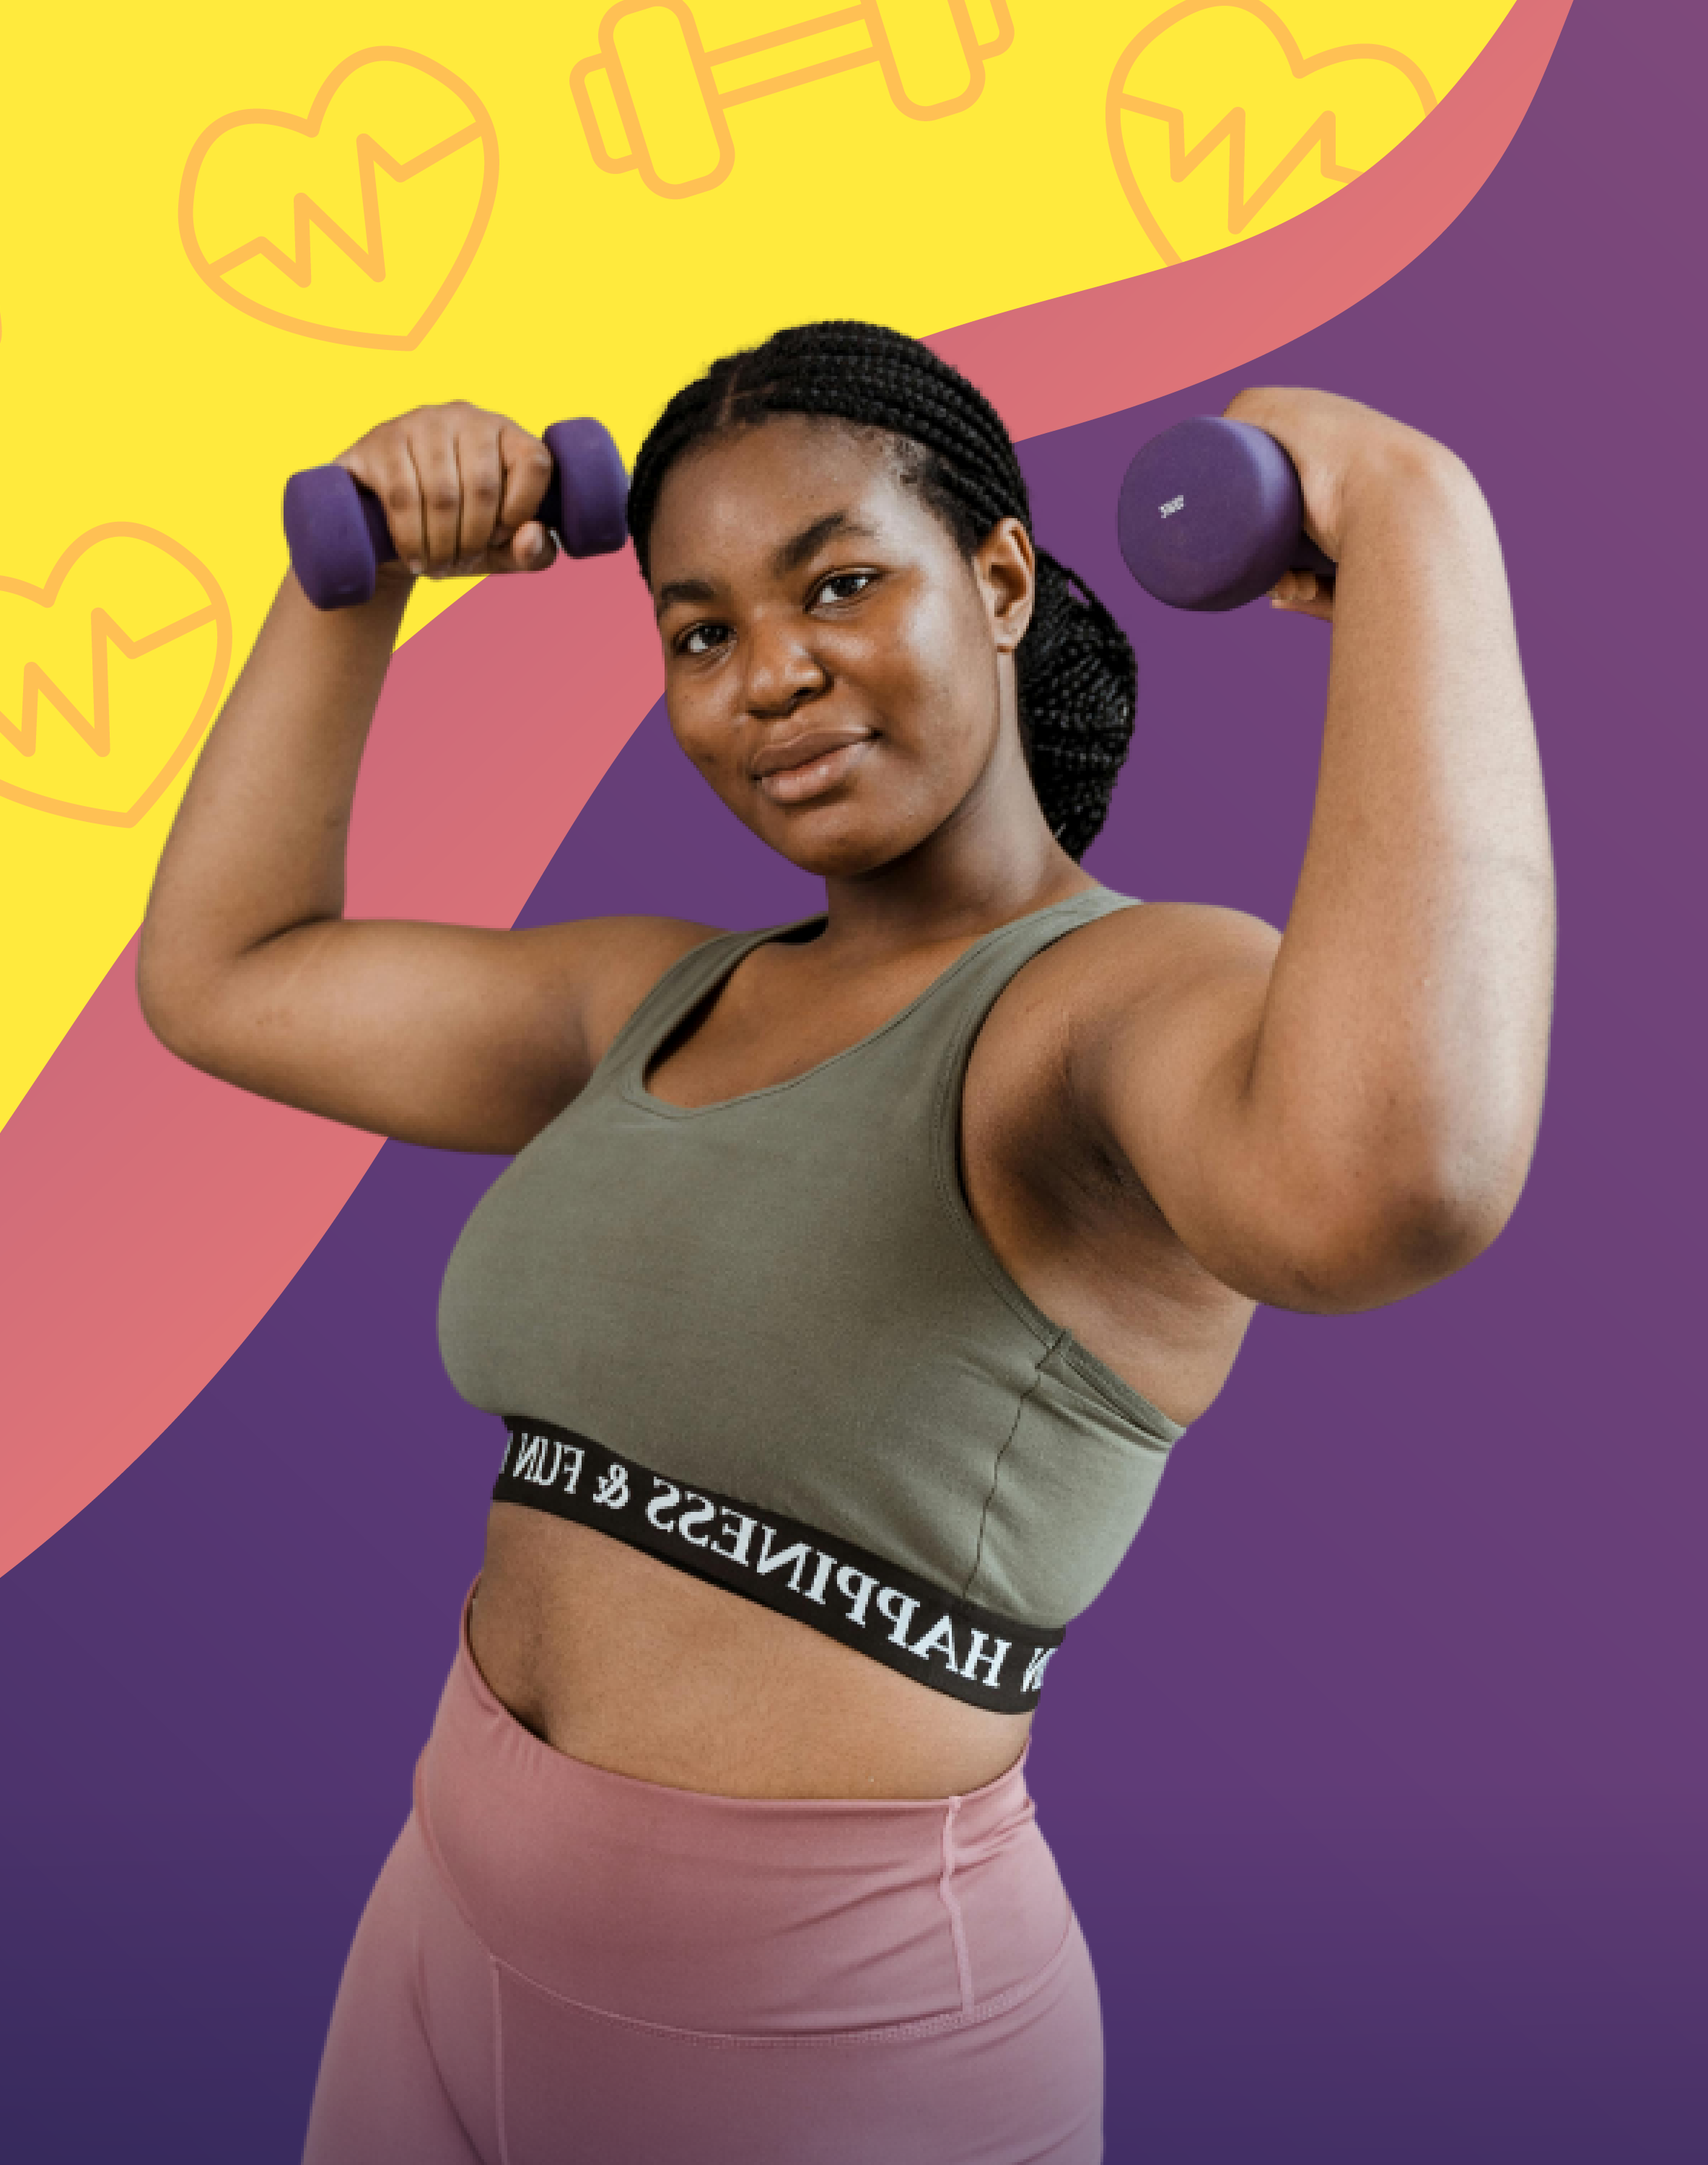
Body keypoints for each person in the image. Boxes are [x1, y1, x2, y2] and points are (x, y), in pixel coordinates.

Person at [132, 321, 1550, 2163]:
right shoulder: (648, 994)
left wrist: (1419, 528)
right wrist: (361, 587)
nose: (771, 675)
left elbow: (1396, 1178)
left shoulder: (1110, 1003)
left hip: (824, 2028)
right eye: (702, 629)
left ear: (1005, 578)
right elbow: (227, 981)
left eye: (842, 584)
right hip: (442, 1913)